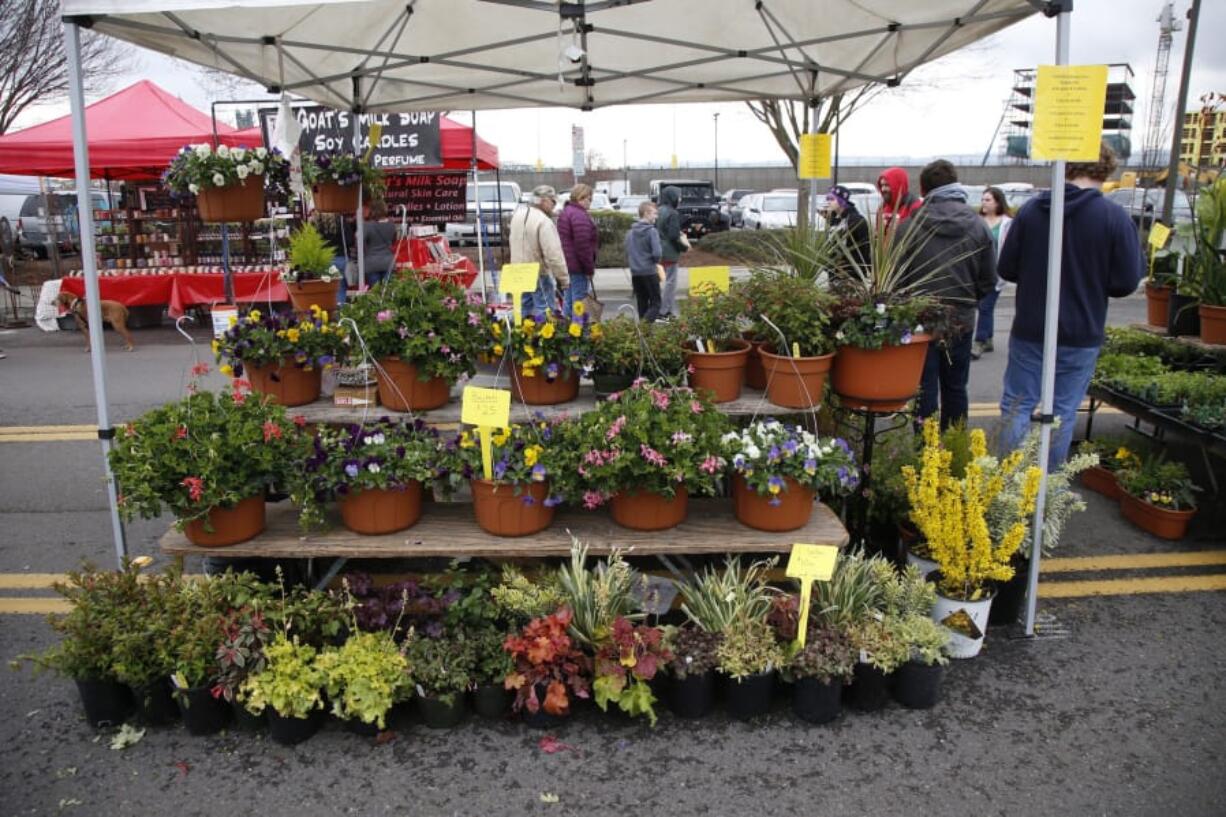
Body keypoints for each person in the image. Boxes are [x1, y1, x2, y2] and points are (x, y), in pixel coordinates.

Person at [997, 143, 1143, 466]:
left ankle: (1007, 489)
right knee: (1061, 411)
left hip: (1031, 326)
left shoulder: (1033, 212)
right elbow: (1126, 282)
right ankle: (1045, 489)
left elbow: (1006, 268)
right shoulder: (1114, 218)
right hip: (1082, 330)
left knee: (1017, 406)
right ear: (1104, 172)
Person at [897, 159, 996, 431]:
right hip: (961, 318)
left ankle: (924, 453)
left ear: (923, 188)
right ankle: (954, 447)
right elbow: (989, 280)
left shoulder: (909, 226)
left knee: (924, 388)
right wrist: (967, 299)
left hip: (920, 319)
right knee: (955, 387)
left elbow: (895, 279)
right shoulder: (978, 226)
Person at [509, 185, 569, 316]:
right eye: (553, 201)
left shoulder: (517, 216)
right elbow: (553, 254)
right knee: (546, 313)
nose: (554, 205)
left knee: (521, 313)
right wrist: (564, 278)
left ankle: (520, 335)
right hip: (537, 273)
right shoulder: (543, 221)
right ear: (544, 200)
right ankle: (546, 336)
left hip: (516, 271)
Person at [972, 187, 1013, 360]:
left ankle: (980, 341)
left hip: (996, 273)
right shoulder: (977, 221)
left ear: (998, 202)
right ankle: (988, 338)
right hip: (977, 272)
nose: (984, 203)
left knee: (985, 306)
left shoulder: (1007, 223)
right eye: (983, 199)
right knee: (984, 306)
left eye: (988, 199)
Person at [557, 182, 599, 317]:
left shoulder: (566, 212)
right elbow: (583, 246)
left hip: (567, 264)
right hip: (578, 266)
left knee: (568, 301)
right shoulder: (579, 215)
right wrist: (589, 269)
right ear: (581, 197)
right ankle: (577, 333)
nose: (590, 202)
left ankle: (564, 332)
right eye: (589, 199)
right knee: (579, 303)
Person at [825, 184, 871, 285]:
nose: (828, 202)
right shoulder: (833, 220)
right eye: (827, 198)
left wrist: (869, 270)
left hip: (852, 273)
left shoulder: (857, 220)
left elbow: (865, 248)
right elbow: (828, 244)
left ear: (842, 201)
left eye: (832, 199)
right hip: (834, 272)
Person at [625, 201, 663, 322]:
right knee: (656, 303)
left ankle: (644, 336)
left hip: (635, 273)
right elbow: (657, 253)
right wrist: (656, 261)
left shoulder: (630, 233)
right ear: (646, 213)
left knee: (642, 304)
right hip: (649, 272)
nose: (656, 217)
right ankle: (643, 326)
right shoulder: (652, 231)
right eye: (654, 213)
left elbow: (628, 251)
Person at [655, 186, 688, 319]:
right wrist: (683, 247)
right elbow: (674, 235)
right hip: (670, 253)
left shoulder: (658, 210)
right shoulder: (673, 213)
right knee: (670, 283)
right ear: (673, 197)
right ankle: (665, 311)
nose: (680, 199)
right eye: (678, 196)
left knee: (657, 281)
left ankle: (655, 308)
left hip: (658, 251)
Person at [313, 212, 355, 304]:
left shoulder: (316, 222)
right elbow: (350, 240)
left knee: (325, 290)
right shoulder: (340, 220)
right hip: (341, 258)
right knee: (341, 289)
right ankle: (340, 313)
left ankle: (328, 313)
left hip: (324, 260)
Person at [359, 198, 397, 288]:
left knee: (375, 293)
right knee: (387, 291)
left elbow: (360, 243)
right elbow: (394, 241)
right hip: (388, 262)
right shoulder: (392, 224)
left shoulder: (367, 225)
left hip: (371, 263)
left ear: (372, 210)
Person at [876, 166, 922, 232]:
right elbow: (877, 235)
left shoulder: (915, 207)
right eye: (882, 185)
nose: (883, 189)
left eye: (887, 185)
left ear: (898, 185)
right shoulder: (882, 208)